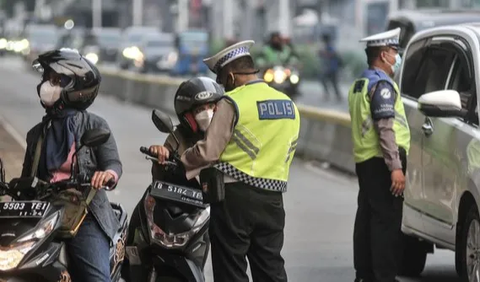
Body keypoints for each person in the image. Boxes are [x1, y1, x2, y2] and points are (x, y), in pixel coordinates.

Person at [154, 40, 301, 282]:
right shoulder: (288, 104)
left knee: (231, 269)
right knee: (270, 266)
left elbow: (209, 152)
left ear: (231, 76)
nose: (223, 86)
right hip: (274, 199)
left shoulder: (232, 102)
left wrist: (182, 161)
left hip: (234, 199)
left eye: (222, 80)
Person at [20, 48, 122, 282]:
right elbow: (27, 178)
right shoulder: (36, 133)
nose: (48, 85)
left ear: (75, 89)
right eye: (48, 79)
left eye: (57, 81)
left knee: (97, 279)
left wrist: (107, 175)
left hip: (84, 211)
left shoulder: (95, 125)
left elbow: (113, 163)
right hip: (44, 212)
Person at [121, 77, 224, 281]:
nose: (207, 113)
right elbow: (161, 173)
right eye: (199, 109)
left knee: (226, 246)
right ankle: (130, 262)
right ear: (187, 115)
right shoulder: (177, 137)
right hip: (175, 199)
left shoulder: (225, 136)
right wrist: (161, 154)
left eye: (211, 106)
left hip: (207, 203)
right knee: (142, 209)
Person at [348, 28, 410, 282]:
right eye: (395, 52)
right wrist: (395, 166)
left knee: (367, 218)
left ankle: (365, 274)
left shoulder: (360, 83)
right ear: (384, 55)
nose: (397, 57)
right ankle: (384, 276)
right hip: (382, 162)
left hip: (365, 161)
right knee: (385, 222)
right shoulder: (382, 85)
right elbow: (385, 128)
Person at [319, 33, 342, 102]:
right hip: (329, 68)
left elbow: (332, 54)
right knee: (327, 81)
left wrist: (323, 53)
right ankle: (334, 95)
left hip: (332, 68)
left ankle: (336, 96)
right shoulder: (327, 46)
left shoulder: (330, 46)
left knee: (333, 82)